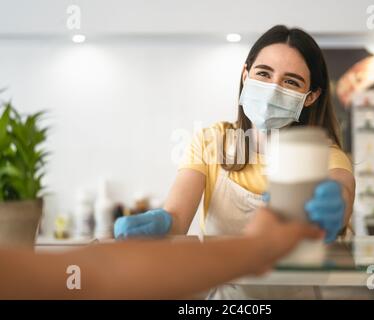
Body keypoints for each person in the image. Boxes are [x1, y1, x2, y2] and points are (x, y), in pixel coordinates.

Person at [114, 25, 355, 299]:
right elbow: (177, 219)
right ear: (245, 75)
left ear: (310, 96)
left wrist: (337, 204)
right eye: (263, 73)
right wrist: (159, 223)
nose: (272, 89)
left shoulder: (323, 154)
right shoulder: (210, 141)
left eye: (290, 82)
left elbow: (342, 190)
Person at [0, 208, 323, 299]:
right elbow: (96, 276)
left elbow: (93, 276)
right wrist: (257, 247)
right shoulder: (213, 139)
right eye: (264, 73)